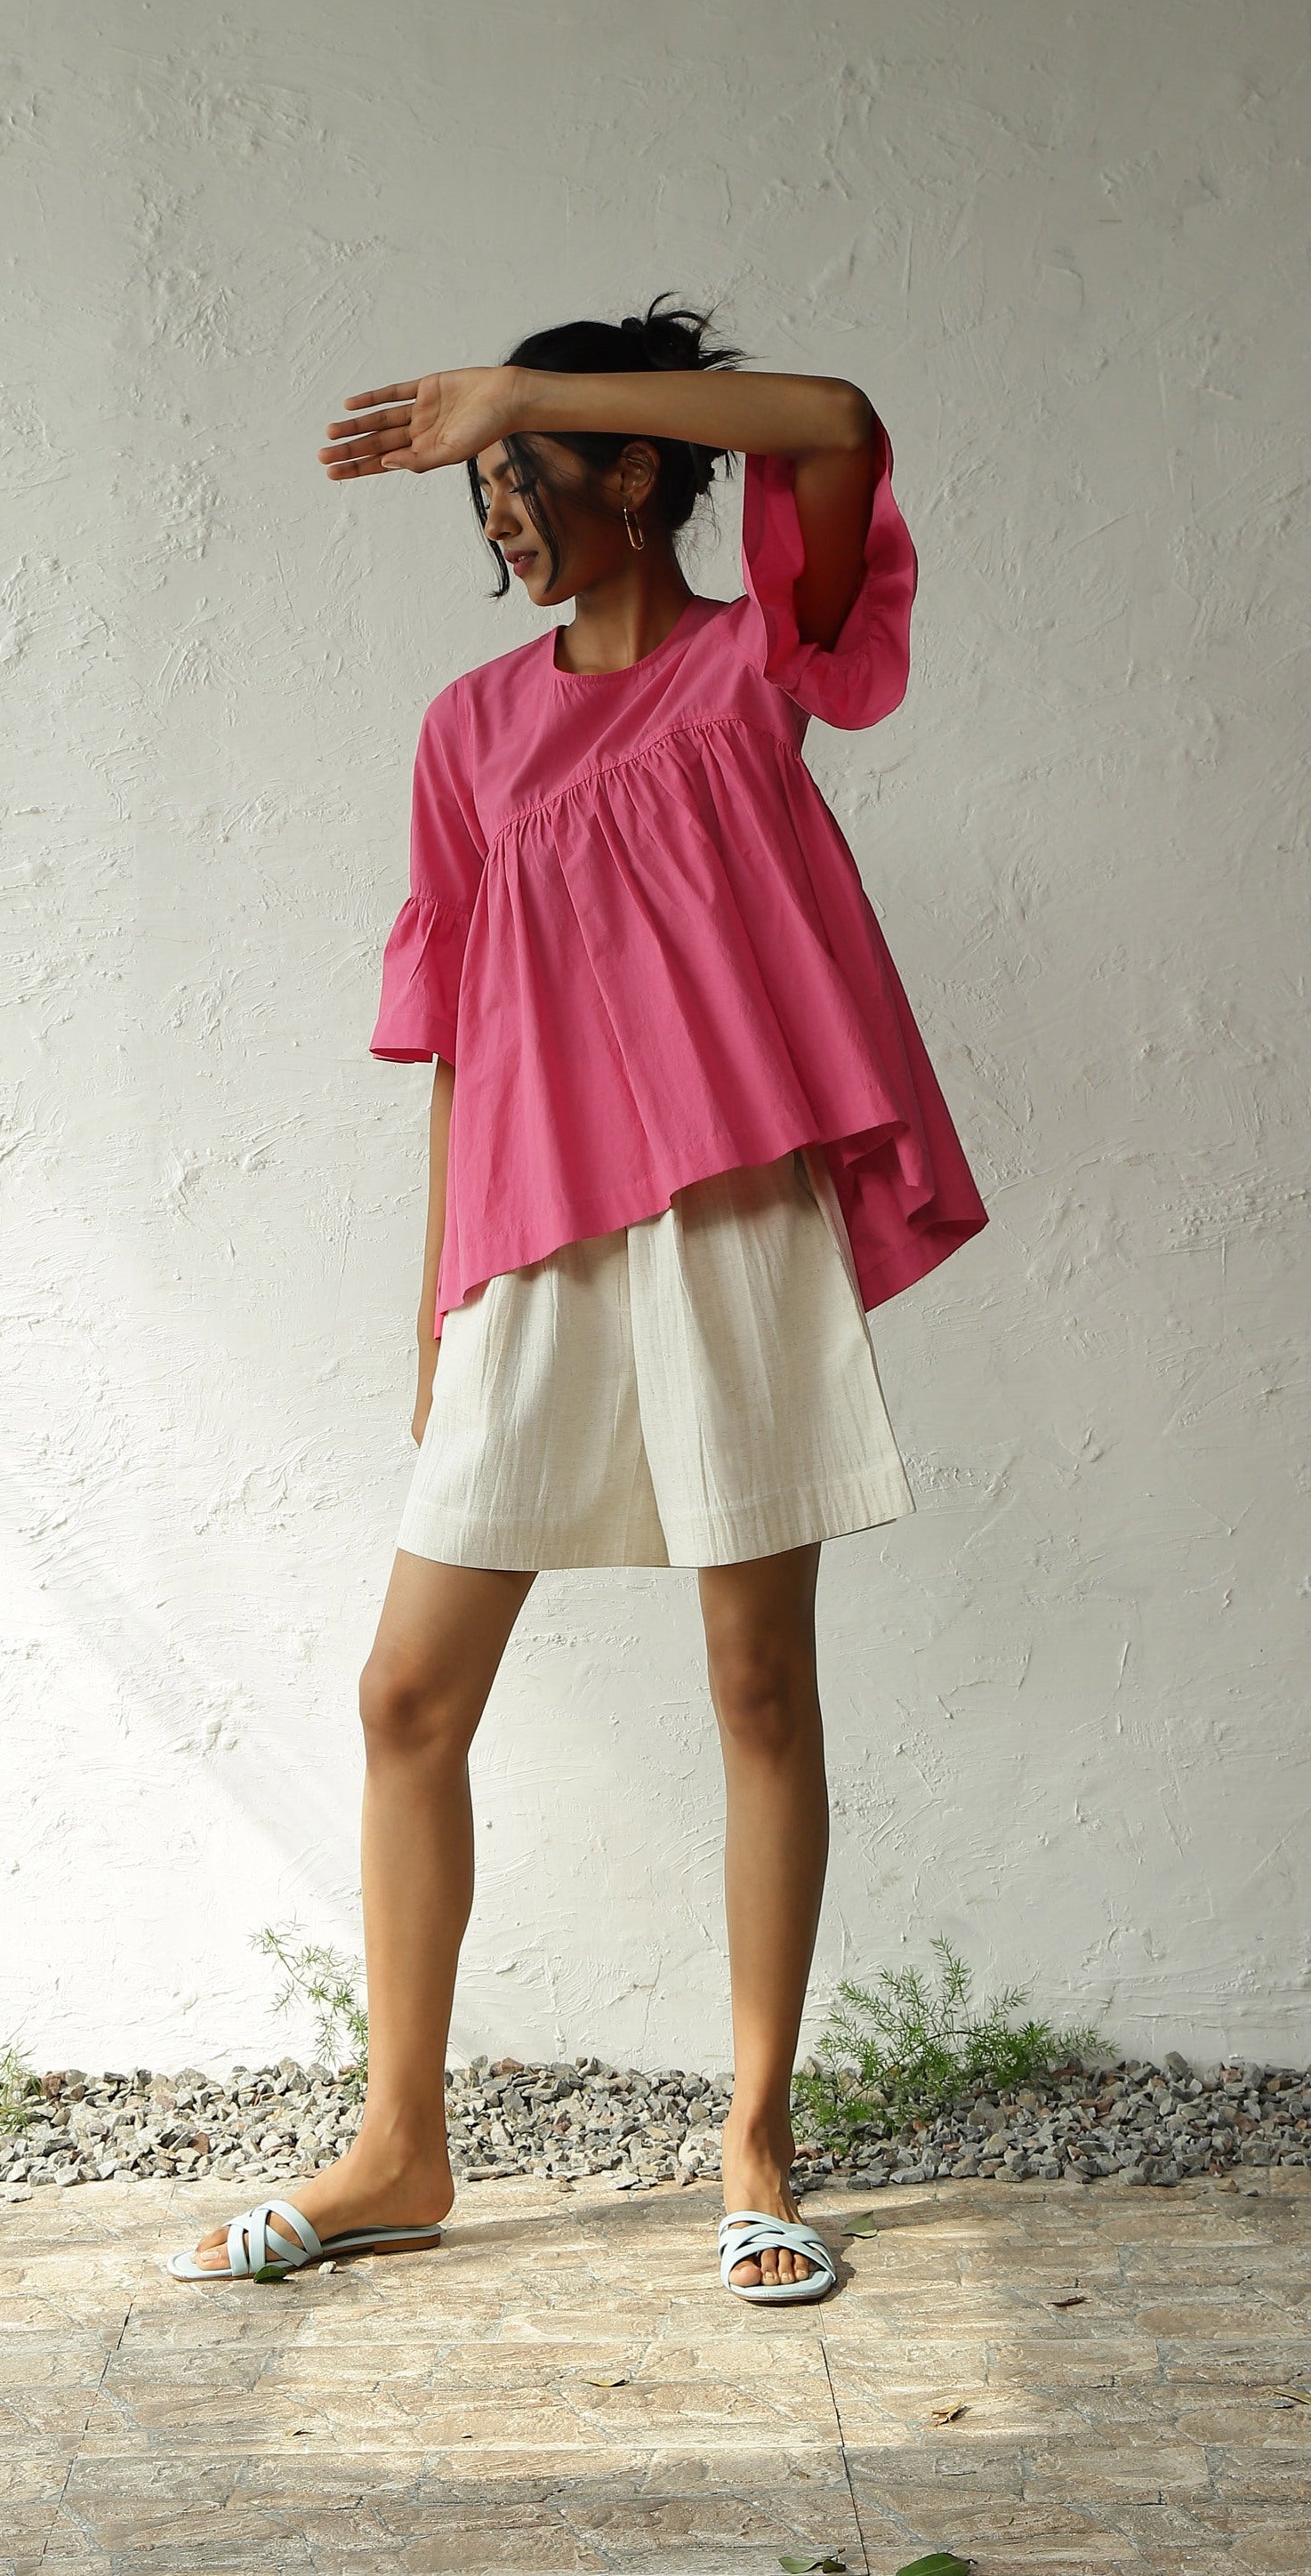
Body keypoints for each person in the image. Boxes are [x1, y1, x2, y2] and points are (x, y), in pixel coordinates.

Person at [167, 296, 988, 2303]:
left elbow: (835, 418)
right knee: (407, 1695)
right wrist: (433, 1302)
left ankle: (754, 2139)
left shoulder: (747, 663)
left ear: (629, 464)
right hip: (530, 1232)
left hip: (729, 1211)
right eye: (480, 496)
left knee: (755, 1685)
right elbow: (458, 1037)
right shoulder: (467, 732)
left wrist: (524, 386)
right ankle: (400, 2147)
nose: (498, 521)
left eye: (517, 479)